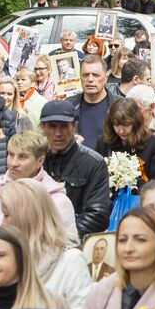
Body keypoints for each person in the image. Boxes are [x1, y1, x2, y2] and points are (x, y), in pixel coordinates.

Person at [0, 129, 78, 253]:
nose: (13, 163)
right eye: (11, 154)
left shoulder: (57, 200)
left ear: (40, 161)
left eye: (22, 157)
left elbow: (67, 250)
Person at [0, 178, 92, 309]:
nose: (2, 224)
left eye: (6, 215)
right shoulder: (9, 260)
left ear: (26, 217)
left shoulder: (71, 261)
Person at [39, 99, 113, 237]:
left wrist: (60, 235)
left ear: (74, 126)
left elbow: (98, 215)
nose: (58, 133)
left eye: (64, 126)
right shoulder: (33, 159)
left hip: (75, 244)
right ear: (42, 128)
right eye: (52, 126)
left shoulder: (94, 163)